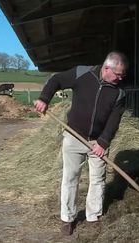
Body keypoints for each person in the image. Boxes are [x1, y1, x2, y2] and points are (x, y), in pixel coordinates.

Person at [34, 51, 128, 236]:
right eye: (118, 75)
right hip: (74, 136)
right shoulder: (82, 73)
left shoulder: (119, 93)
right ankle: (67, 218)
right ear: (106, 68)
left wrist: (103, 142)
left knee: (98, 180)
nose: (120, 79)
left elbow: (113, 121)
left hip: (98, 142)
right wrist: (44, 98)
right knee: (70, 178)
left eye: (123, 75)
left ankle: (93, 217)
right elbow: (56, 80)